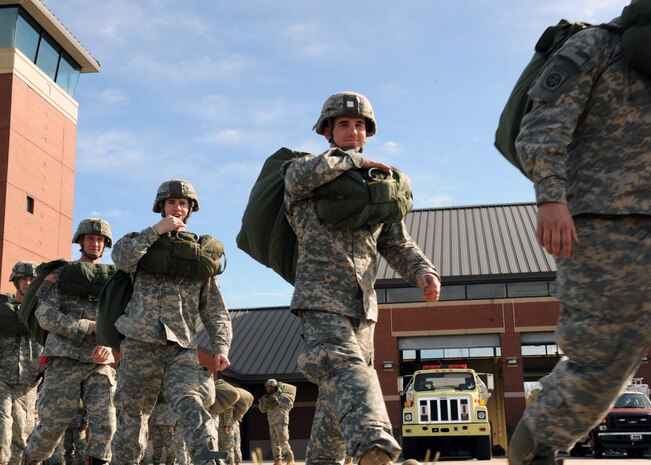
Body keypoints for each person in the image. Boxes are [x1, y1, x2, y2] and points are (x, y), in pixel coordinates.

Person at [507, 1, 651, 464]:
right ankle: (540, 442)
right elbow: (544, 125)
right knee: (606, 348)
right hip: (603, 222)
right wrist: (551, 197)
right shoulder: (595, 45)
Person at [281, 91, 441, 465]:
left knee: (340, 392)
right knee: (345, 367)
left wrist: (423, 271)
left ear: (367, 131)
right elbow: (301, 176)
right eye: (343, 125)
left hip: (364, 307)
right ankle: (377, 450)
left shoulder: (376, 184)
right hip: (320, 299)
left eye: (359, 126)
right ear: (327, 131)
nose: (352, 131)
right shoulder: (304, 171)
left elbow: (397, 242)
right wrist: (352, 161)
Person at [110, 179, 232, 465]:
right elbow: (119, 257)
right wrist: (156, 232)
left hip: (181, 348)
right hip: (140, 343)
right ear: (161, 207)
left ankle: (212, 461)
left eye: (183, 203)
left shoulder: (200, 255)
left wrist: (221, 346)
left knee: (194, 405)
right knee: (131, 415)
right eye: (172, 202)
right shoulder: (140, 244)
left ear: (190, 210)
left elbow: (214, 308)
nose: (177, 208)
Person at [22, 219, 116, 465]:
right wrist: (86, 327)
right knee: (52, 427)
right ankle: (30, 460)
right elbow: (45, 315)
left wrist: (108, 342)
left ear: (105, 245)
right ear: (80, 242)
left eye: (99, 240)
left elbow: (122, 316)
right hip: (64, 359)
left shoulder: (114, 280)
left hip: (100, 362)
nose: (95, 243)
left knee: (106, 424)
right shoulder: (60, 275)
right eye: (90, 238)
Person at [0, 262, 42, 465]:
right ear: (15, 281)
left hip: (29, 382)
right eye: (23, 279)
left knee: (21, 436)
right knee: (2, 428)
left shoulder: (44, 311)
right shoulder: (3, 307)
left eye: (32, 279)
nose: (27, 283)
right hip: (2, 377)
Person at [258, 380, 294, 465]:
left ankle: (290, 458)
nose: (267, 388)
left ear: (273, 386)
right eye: (266, 386)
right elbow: (262, 410)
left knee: (283, 440)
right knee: (274, 442)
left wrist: (278, 402)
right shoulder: (267, 397)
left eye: (269, 386)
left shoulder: (280, 395)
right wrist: (263, 403)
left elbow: (290, 405)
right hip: (272, 422)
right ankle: (278, 460)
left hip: (281, 421)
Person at [149, 394, 176, 465]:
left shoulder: (169, 396)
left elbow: (173, 411)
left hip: (166, 425)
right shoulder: (155, 395)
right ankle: (156, 462)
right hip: (155, 424)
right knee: (156, 446)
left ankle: (170, 463)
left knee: (169, 447)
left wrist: (172, 424)